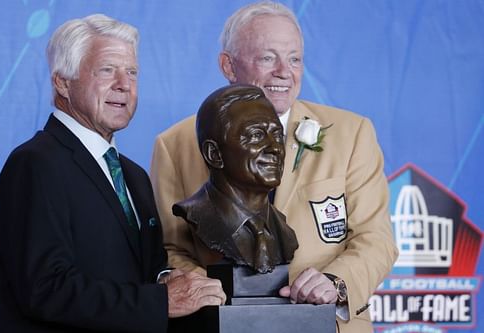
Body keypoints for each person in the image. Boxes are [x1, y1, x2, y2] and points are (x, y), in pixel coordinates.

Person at [150, 2, 398, 332]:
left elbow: (376, 239)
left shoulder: (351, 134)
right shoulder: (175, 144)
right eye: (268, 57)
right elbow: (169, 249)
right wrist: (217, 295)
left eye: (294, 58)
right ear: (228, 64)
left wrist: (336, 283)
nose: (285, 71)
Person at [0, 14, 225, 333]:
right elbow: (44, 288)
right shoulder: (33, 164)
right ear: (62, 82)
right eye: (106, 70)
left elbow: (142, 271)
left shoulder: (134, 175)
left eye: (132, 72)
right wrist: (160, 300)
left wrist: (171, 280)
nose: (124, 85)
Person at [173, 84, 298, 274]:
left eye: (277, 135)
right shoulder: (195, 215)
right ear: (214, 154)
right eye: (256, 135)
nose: (276, 149)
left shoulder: (283, 231)